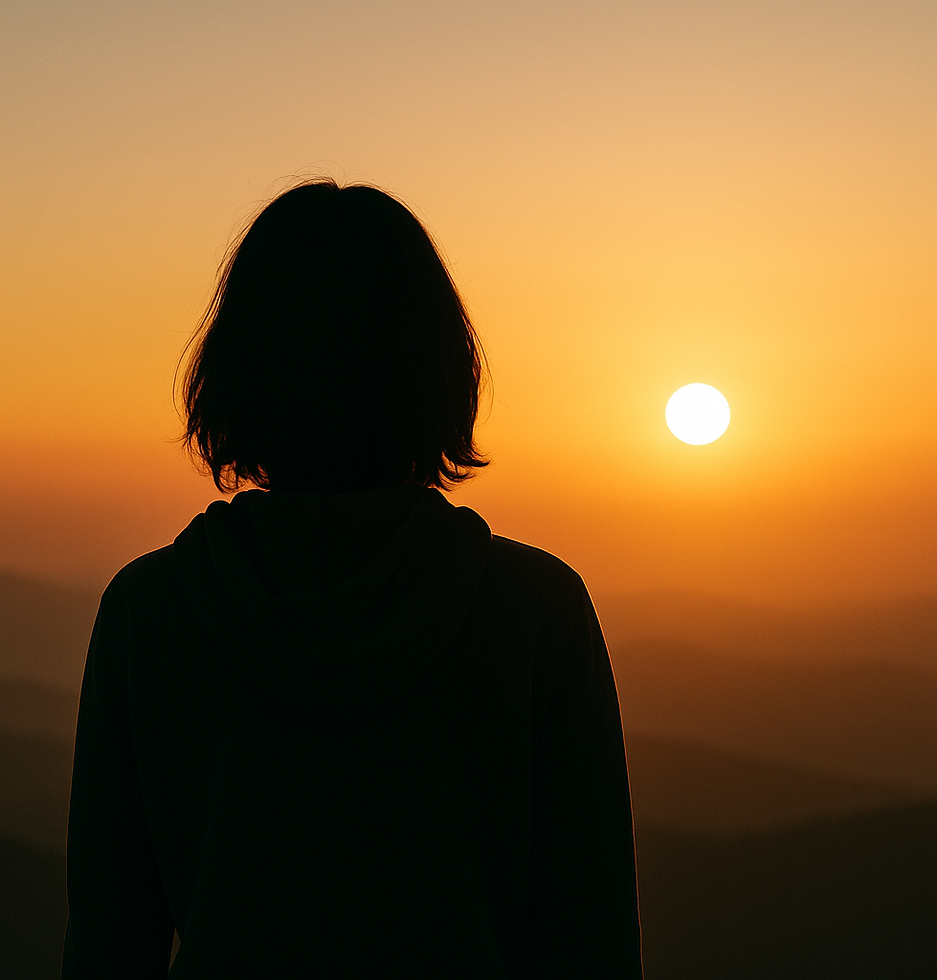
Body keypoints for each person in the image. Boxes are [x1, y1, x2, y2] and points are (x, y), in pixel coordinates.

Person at [61, 179, 643, 978]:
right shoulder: (536, 613)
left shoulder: (148, 614)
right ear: (441, 366)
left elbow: (107, 944)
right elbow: (593, 941)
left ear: (239, 366)